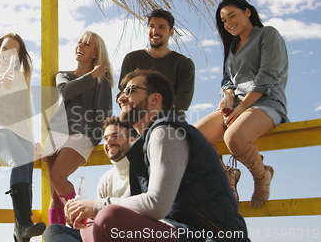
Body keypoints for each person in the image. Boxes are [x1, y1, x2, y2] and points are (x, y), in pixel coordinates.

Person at [65, 70, 250, 241]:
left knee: (108, 218)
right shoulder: (142, 146)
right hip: (174, 229)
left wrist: (97, 206)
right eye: (122, 93)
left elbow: (156, 205)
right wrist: (85, 210)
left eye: (130, 90)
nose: (121, 98)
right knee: (61, 231)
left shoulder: (166, 132)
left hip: (209, 235)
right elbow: (130, 201)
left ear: (155, 99)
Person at [194, 0, 288, 208]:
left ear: (248, 12)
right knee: (194, 137)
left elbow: (267, 75)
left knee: (234, 138)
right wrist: (227, 95)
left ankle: (262, 175)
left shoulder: (268, 34)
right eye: (223, 20)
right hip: (237, 107)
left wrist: (243, 107)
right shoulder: (233, 46)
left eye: (232, 15)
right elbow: (228, 80)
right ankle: (226, 176)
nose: (228, 23)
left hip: (266, 103)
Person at [0, 33, 46, 242]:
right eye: (5, 48)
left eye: (15, 51)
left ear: (19, 57)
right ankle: (22, 224)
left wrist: (32, 140)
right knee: (18, 161)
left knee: (27, 171)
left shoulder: (21, 78)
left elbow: (25, 112)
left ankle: (21, 231)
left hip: (22, 130)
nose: (8, 54)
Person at [41, 31, 113, 225]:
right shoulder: (64, 75)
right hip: (56, 133)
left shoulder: (102, 82)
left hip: (82, 134)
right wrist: (92, 75)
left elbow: (103, 115)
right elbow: (67, 91)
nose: (79, 46)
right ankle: (57, 237)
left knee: (58, 177)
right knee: (55, 195)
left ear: (96, 53)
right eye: (79, 42)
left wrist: (97, 136)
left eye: (86, 44)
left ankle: (84, 220)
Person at [42, 116, 137, 242]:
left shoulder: (140, 173)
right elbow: (99, 219)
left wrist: (92, 209)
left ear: (132, 140)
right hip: (106, 235)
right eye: (106, 138)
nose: (108, 142)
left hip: (133, 234)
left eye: (115, 136)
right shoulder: (105, 180)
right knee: (52, 231)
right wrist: (78, 217)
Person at [119, 9, 195, 118]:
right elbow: (122, 94)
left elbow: (183, 102)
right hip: (137, 121)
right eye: (151, 26)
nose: (155, 31)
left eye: (162, 27)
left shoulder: (184, 63)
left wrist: (148, 110)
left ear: (171, 32)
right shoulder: (131, 59)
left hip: (171, 122)